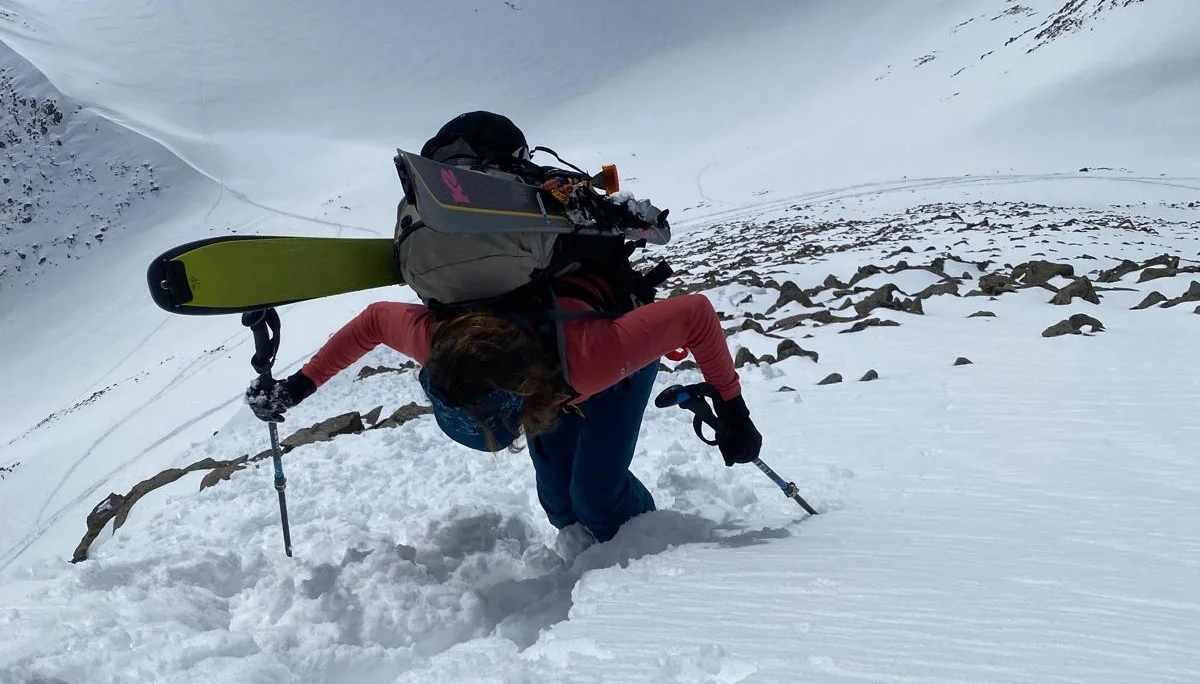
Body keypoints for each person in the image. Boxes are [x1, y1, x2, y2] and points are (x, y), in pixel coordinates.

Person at [246, 113, 762, 544]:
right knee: (559, 505)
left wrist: (733, 408)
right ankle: (595, 555)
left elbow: (694, 314)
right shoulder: (438, 340)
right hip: (551, 371)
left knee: (597, 499)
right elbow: (375, 322)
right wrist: (297, 387)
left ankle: (659, 561)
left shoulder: (589, 358)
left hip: (610, 355)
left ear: (524, 398)